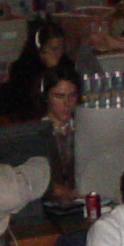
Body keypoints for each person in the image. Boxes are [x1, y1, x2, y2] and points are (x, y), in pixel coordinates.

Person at [33, 68, 82, 203]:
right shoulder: (36, 133)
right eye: (59, 96)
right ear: (46, 97)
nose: (67, 103)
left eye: (72, 96)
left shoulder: (83, 127)